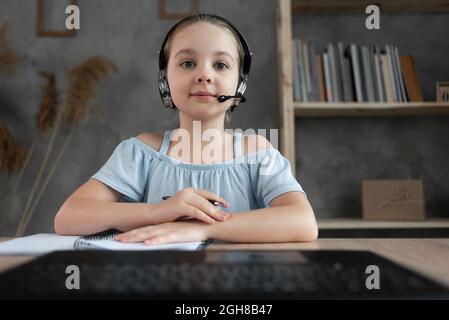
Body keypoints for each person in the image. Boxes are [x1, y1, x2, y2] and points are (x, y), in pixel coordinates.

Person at [54, 13, 318, 243]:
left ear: (240, 84)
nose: (204, 75)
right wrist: (158, 213)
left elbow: (303, 222)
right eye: (188, 63)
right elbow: (68, 217)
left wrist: (201, 230)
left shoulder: (257, 152)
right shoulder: (141, 151)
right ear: (164, 79)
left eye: (221, 65)